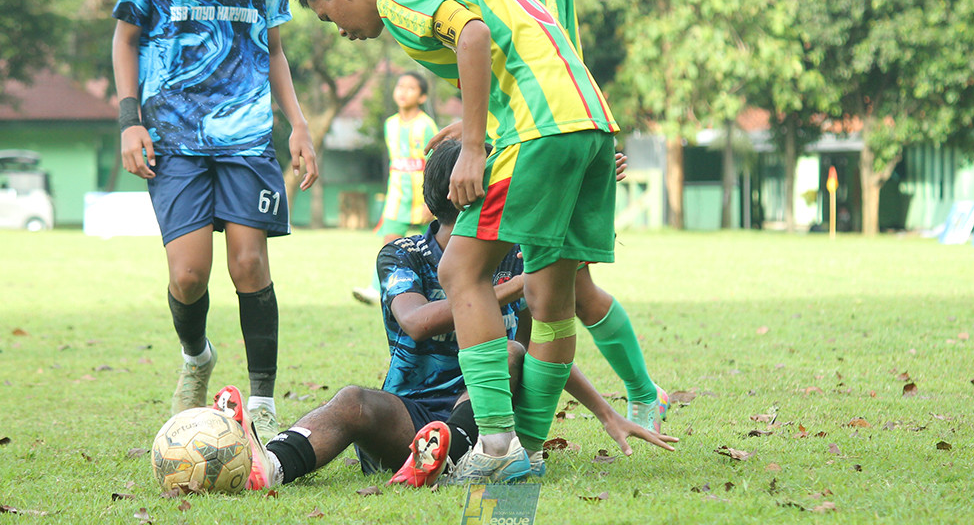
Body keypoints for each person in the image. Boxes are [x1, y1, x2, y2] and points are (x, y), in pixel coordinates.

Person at [291, 0, 624, 484]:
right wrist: (487, 122)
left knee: (459, 271)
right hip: (588, 120)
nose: (344, 33)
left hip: (538, 128)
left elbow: (473, 35)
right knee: (551, 294)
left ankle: (495, 445)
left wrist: (474, 145)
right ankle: (530, 449)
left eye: (331, 18)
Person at [221, 139, 676, 490]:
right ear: (475, 198)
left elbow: (541, 354)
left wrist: (605, 413)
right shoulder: (402, 254)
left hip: (482, 418)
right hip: (408, 412)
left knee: (513, 352)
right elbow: (416, 322)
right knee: (352, 400)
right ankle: (270, 463)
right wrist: (518, 286)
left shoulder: (516, 255)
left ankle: (455, 456)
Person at [451, 0, 670, 432]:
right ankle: (534, 444)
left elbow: (558, 55)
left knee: (563, 289)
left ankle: (517, 448)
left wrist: (585, 142)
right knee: (566, 289)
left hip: (553, 135)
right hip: (532, 138)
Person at [111, 0, 318, 442]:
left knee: (249, 264)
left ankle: (264, 401)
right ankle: (196, 357)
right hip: (172, 135)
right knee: (187, 275)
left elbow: (273, 50)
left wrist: (299, 124)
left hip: (246, 136)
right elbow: (126, 37)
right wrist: (128, 121)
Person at [352, 71, 438, 305]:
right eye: (400, 86)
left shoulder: (426, 125)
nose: (403, 91)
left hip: (423, 198)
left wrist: (431, 201)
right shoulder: (390, 124)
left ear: (422, 97)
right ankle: (377, 289)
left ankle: (441, 289)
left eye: (411, 88)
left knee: (435, 245)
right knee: (389, 244)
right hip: (397, 197)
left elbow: (434, 162)